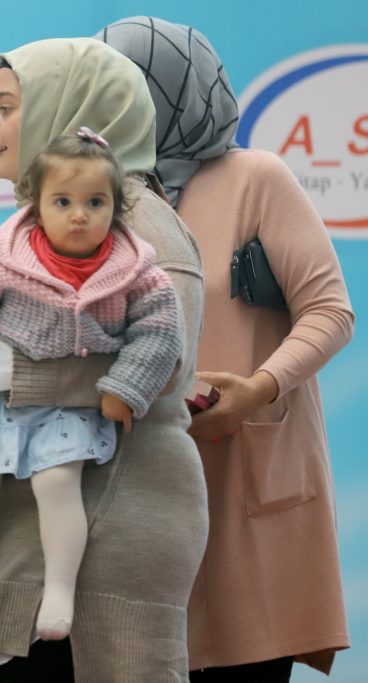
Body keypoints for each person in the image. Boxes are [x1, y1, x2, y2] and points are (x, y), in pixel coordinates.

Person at [98, 17, 353, 680]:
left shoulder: (255, 178)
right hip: (147, 481)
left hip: (246, 464)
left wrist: (258, 389)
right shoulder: (100, 198)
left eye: (122, 88)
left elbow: (330, 311)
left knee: (246, 655)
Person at [0, 39, 209, 682]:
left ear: (67, 112)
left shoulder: (135, 222)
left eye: (6, 107)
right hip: (52, 534)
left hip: (111, 528)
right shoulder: (49, 226)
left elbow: (166, 365)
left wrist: (10, 371)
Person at [0, 128, 182, 646]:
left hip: (65, 407)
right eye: (62, 202)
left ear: (116, 207)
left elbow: (162, 332)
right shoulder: (6, 260)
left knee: (57, 484)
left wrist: (127, 385)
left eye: (95, 202)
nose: (79, 216)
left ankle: (59, 591)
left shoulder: (136, 271)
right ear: (36, 205)